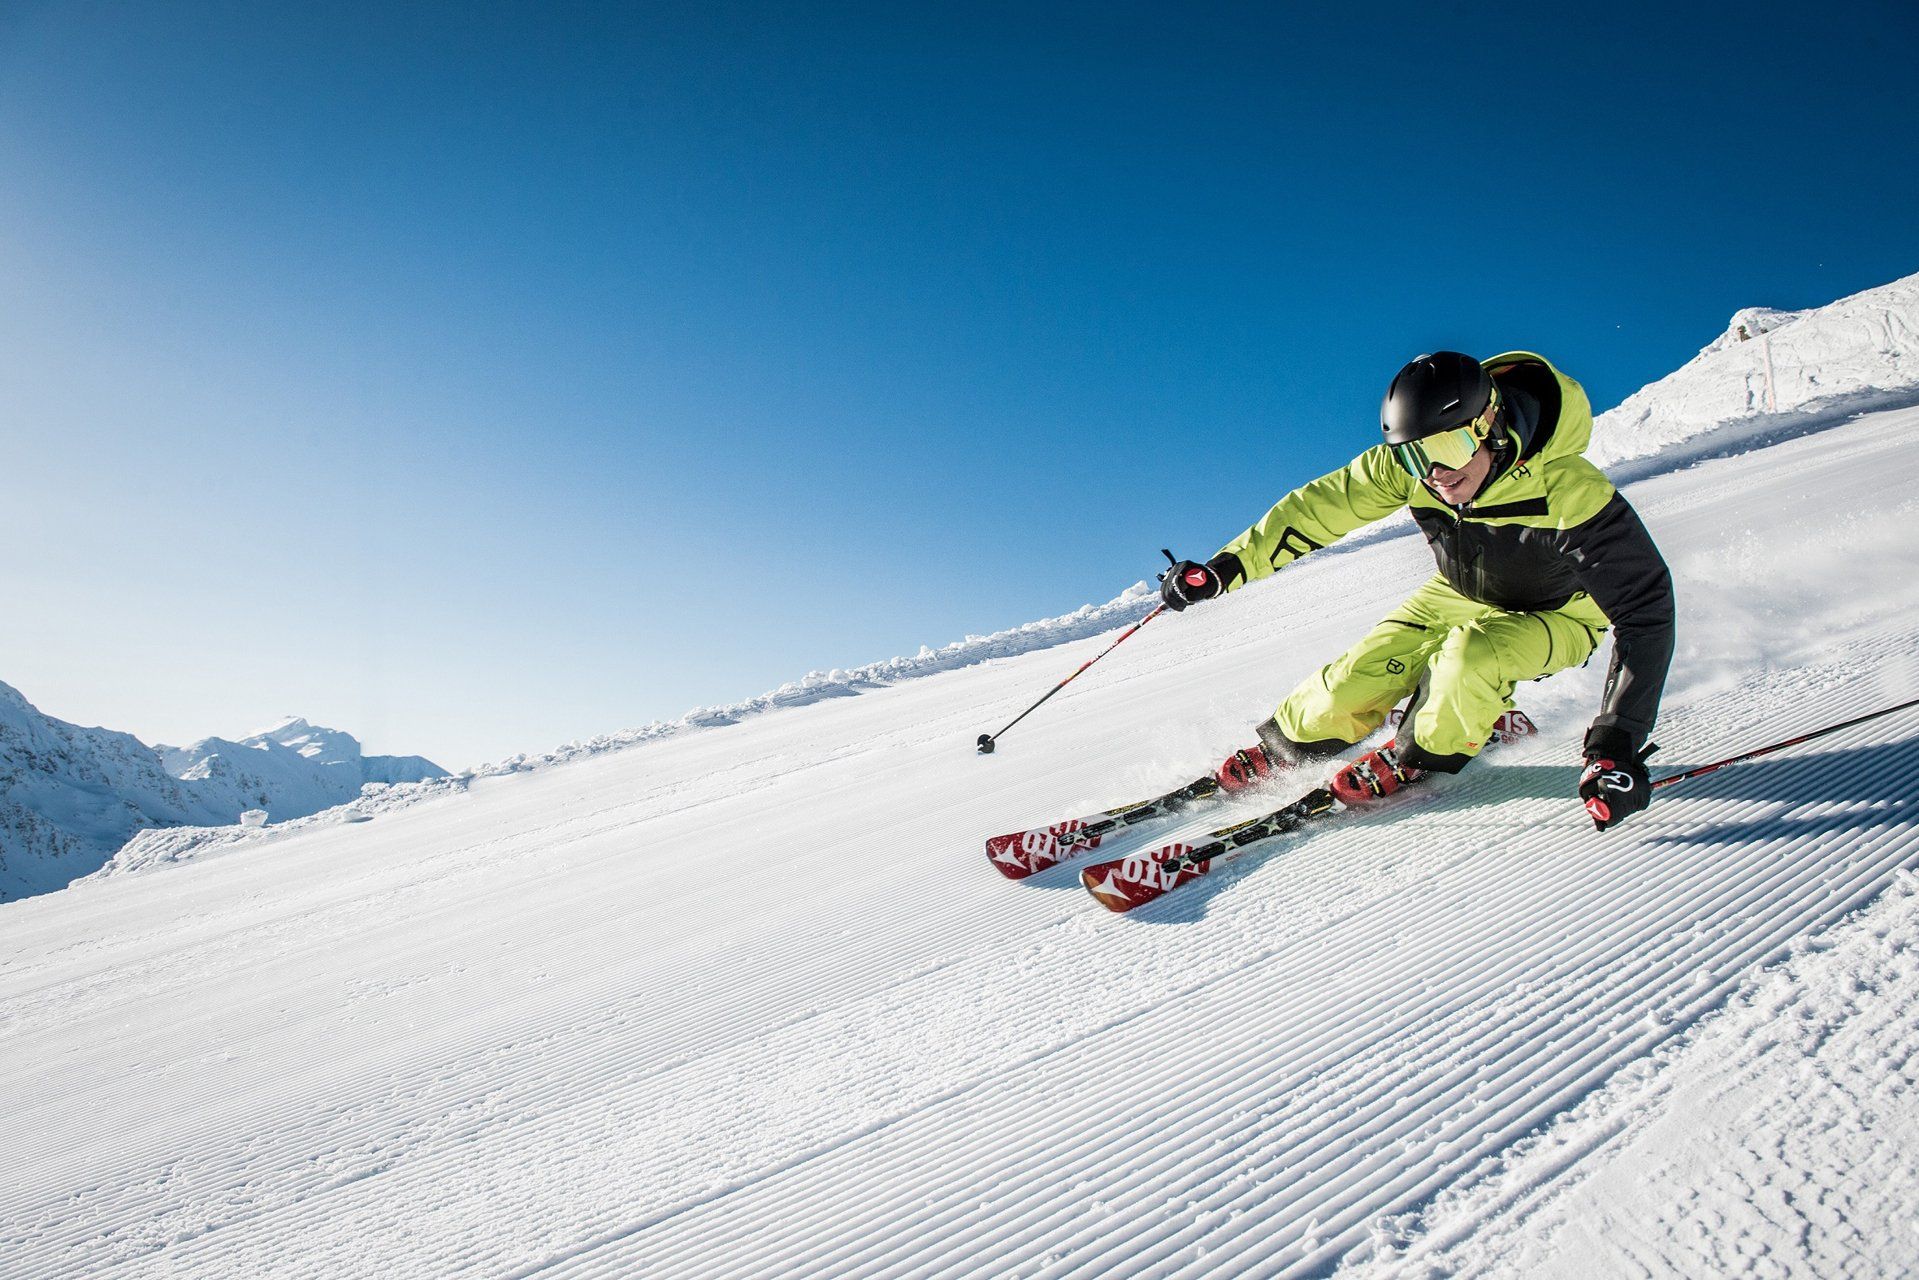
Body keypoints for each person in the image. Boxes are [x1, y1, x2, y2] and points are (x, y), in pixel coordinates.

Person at [1159, 351, 1675, 832]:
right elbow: (1317, 509)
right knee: (1354, 678)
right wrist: (1225, 568)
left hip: (1560, 612)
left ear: (1490, 426)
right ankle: (1290, 745)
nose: (1435, 474)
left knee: (1468, 659)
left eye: (1448, 448)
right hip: (1460, 593)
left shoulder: (1569, 490)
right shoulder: (1416, 473)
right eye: (1414, 456)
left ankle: (1421, 753)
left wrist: (1615, 744)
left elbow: (1645, 611)